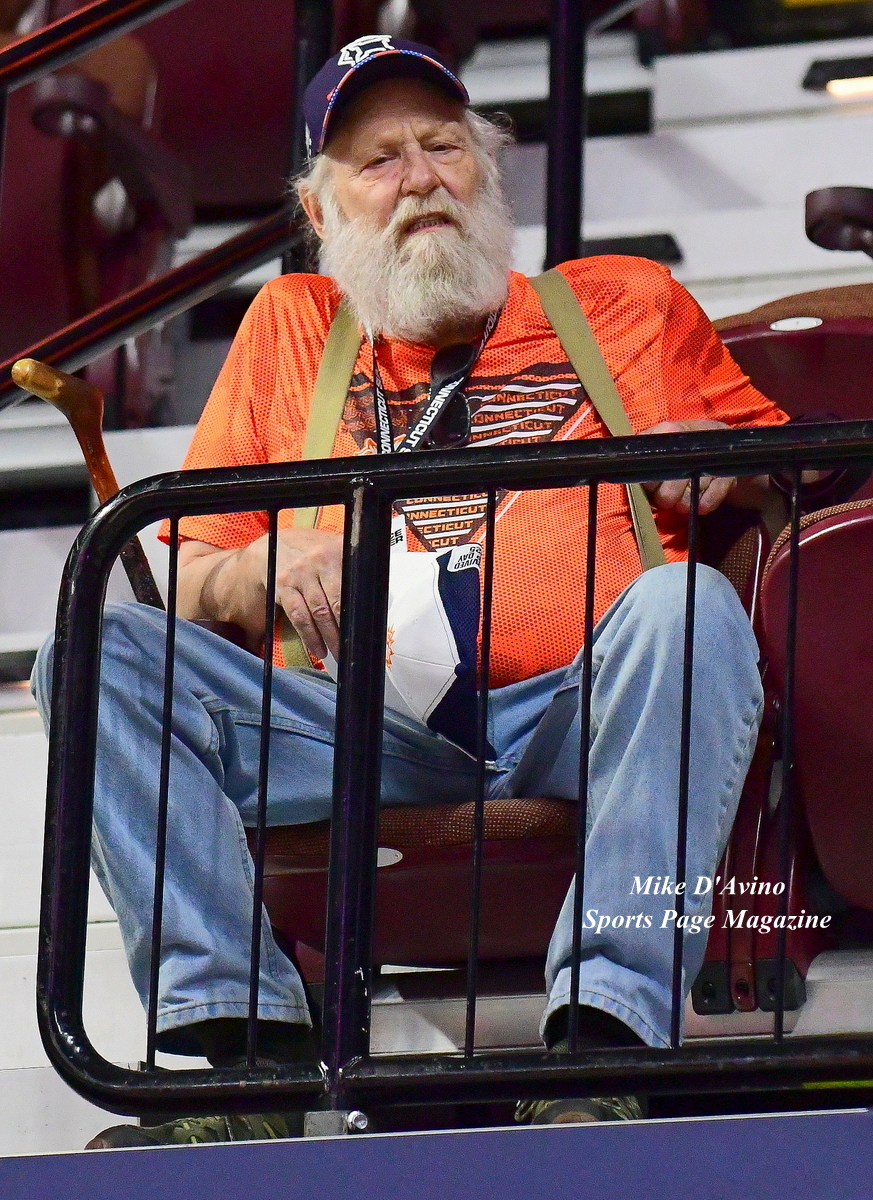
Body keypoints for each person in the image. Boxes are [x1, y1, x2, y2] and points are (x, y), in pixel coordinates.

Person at [33, 35, 787, 1147]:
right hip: (354, 725)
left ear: (488, 166)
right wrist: (252, 570)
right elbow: (182, 578)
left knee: (689, 610)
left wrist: (730, 464)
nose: (421, 178)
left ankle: (605, 1039)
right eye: (378, 160)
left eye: (442, 146)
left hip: (583, 709)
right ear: (318, 205)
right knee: (93, 653)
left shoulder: (626, 301)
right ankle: (246, 1054)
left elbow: (796, 483)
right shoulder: (289, 327)